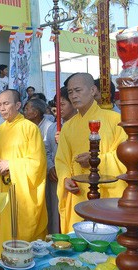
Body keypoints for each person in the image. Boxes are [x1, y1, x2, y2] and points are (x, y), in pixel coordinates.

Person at [56, 73, 127, 233]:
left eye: (78, 90)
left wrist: (96, 160)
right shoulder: (68, 126)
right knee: (79, 239)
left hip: (107, 192)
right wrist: (65, 178)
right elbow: (62, 160)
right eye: (70, 92)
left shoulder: (114, 120)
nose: (73, 95)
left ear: (93, 90)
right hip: (78, 190)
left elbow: (124, 157)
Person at [0, 89, 48, 256]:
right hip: (6, 190)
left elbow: (37, 162)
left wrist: (12, 165)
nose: (1, 108)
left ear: (18, 105)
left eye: (6, 103)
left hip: (24, 192)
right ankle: (8, 269)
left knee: (26, 235)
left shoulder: (30, 128)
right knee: (7, 233)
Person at [44, 87, 77, 234]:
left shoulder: (80, 125)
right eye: (57, 104)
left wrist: (64, 139)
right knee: (55, 211)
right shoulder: (52, 128)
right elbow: (47, 150)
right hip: (56, 176)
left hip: (73, 178)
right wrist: (51, 166)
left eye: (62, 104)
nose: (59, 108)